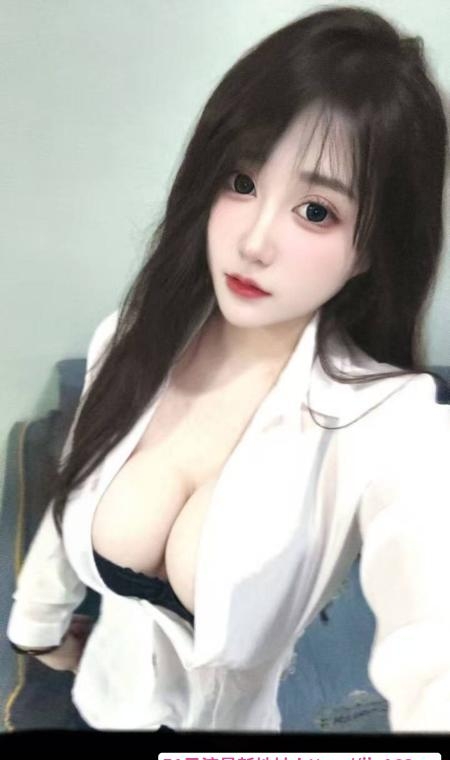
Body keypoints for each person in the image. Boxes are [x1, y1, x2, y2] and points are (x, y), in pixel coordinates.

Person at [6, 4, 450, 733]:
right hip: (103, 700)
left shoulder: (391, 421)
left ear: (372, 249)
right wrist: (38, 631)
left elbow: (432, 641)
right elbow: (68, 496)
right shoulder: (130, 337)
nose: (253, 241)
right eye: (241, 182)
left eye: (316, 211)